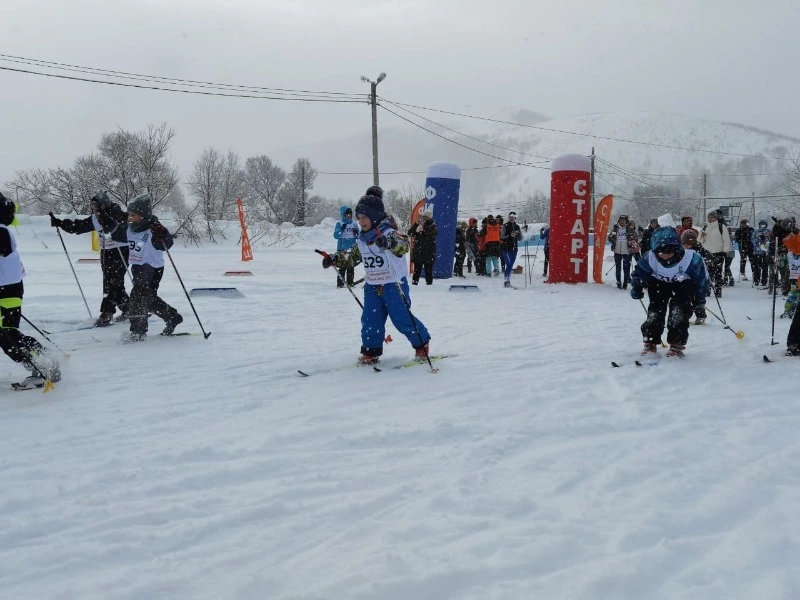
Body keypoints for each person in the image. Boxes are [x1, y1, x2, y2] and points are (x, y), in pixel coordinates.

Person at [324, 191, 431, 364]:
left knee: (401, 317)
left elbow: (404, 245)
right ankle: (371, 351)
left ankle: (421, 344)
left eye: (364, 217)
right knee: (370, 319)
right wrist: (335, 259)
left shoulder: (388, 232)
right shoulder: (362, 238)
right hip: (373, 285)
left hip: (393, 284)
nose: (361, 221)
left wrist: (390, 243)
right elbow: (353, 257)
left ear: (374, 216)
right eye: (359, 217)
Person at [0, 193, 60, 386]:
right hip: (7, 287)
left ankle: (46, 363)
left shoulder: (1, 232)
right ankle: (38, 365)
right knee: (4, 334)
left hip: (8, 289)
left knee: (8, 332)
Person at [49, 189, 130, 326]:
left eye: (95, 206)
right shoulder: (96, 218)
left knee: (111, 283)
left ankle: (107, 313)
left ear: (103, 205)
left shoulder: (117, 214)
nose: (92, 209)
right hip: (106, 252)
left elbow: (123, 227)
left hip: (120, 251)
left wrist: (110, 224)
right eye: (91, 206)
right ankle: (129, 309)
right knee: (115, 283)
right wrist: (60, 223)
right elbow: (79, 227)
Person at [630, 227, 709, 358]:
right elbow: (639, 272)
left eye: (669, 252)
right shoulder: (649, 257)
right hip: (658, 284)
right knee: (655, 312)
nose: (664, 256)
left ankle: (676, 344)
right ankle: (650, 341)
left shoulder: (692, 259)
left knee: (679, 312)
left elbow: (700, 281)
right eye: (660, 252)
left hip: (683, 284)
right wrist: (636, 286)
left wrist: (699, 299)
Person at [124, 193, 183, 342]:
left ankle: (138, 332)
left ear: (143, 215)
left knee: (137, 297)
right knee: (148, 299)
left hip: (152, 268)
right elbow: (118, 235)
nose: (130, 217)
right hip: (137, 267)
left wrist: (162, 233)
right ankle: (172, 317)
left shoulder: (153, 229)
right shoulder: (131, 229)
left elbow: (167, 243)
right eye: (129, 214)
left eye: (133, 215)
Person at [680, 229, 710, 324]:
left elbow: (708, 258)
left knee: (698, 298)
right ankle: (686, 314)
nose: (687, 246)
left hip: (699, 277)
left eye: (689, 244)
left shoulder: (699, 250)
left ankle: (700, 314)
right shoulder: (680, 251)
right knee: (685, 298)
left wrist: (707, 260)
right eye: (684, 243)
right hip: (685, 278)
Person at [699, 211, 730, 298]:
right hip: (707, 253)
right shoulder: (705, 227)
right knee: (708, 273)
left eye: (712, 217)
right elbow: (700, 241)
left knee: (718, 273)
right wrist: (702, 236)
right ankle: (707, 290)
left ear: (716, 218)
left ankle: (718, 290)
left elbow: (726, 240)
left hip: (719, 253)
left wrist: (725, 251)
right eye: (709, 217)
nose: (710, 219)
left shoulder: (721, 227)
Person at [408, 209, 438, 285]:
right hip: (419, 251)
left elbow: (431, 234)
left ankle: (429, 285)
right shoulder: (418, 225)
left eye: (425, 217)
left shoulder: (433, 225)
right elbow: (410, 233)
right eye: (423, 217)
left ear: (429, 218)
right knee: (417, 270)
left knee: (428, 270)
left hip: (428, 252)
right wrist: (415, 225)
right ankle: (415, 284)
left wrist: (424, 226)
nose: (424, 219)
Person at [608, 214, 637, 289]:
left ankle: (625, 283)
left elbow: (635, 238)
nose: (622, 222)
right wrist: (613, 241)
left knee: (626, 268)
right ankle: (618, 283)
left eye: (624, 220)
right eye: (621, 220)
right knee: (618, 268)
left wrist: (631, 243)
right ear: (619, 221)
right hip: (617, 251)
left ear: (626, 221)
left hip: (626, 252)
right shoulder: (615, 229)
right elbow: (609, 238)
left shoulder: (630, 229)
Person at [333, 205, 359, 287]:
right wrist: (341, 229)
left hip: (352, 249)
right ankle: (340, 283)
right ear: (343, 214)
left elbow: (358, 236)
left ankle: (350, 282)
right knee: (343, 266)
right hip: (343, 249)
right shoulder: (339, 223)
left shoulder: (354, 224)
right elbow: (336, 235)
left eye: (350, 214)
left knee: (351, 266)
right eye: (347, 214)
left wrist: (356, 233)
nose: (349, 216)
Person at [500, 211, 522, 287]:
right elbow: (501, 237)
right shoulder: (504, 226)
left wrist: (518, 235)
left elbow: (520, 238)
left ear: (515, 218)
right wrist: (510, 235)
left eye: (513, 217)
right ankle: (506, 280)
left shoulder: (517, 226)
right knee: (508, 264)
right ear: (508, 217)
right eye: (510, 217)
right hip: (506, 248)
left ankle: (507, 280)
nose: (512, 218)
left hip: (514, 249)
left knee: (510, 265)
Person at [751, 219, 771, 287]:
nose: (762, 226)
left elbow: (770, 241)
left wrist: (765, 239)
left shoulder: (768, 231)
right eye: (761, 224)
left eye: (764, 224)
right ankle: (756, 280)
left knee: (765, 266)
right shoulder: (756, 231)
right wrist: (759, 238)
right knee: (757, 266)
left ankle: (764, 280)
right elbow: (753, 240)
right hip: (757, 251)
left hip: (766, 251)